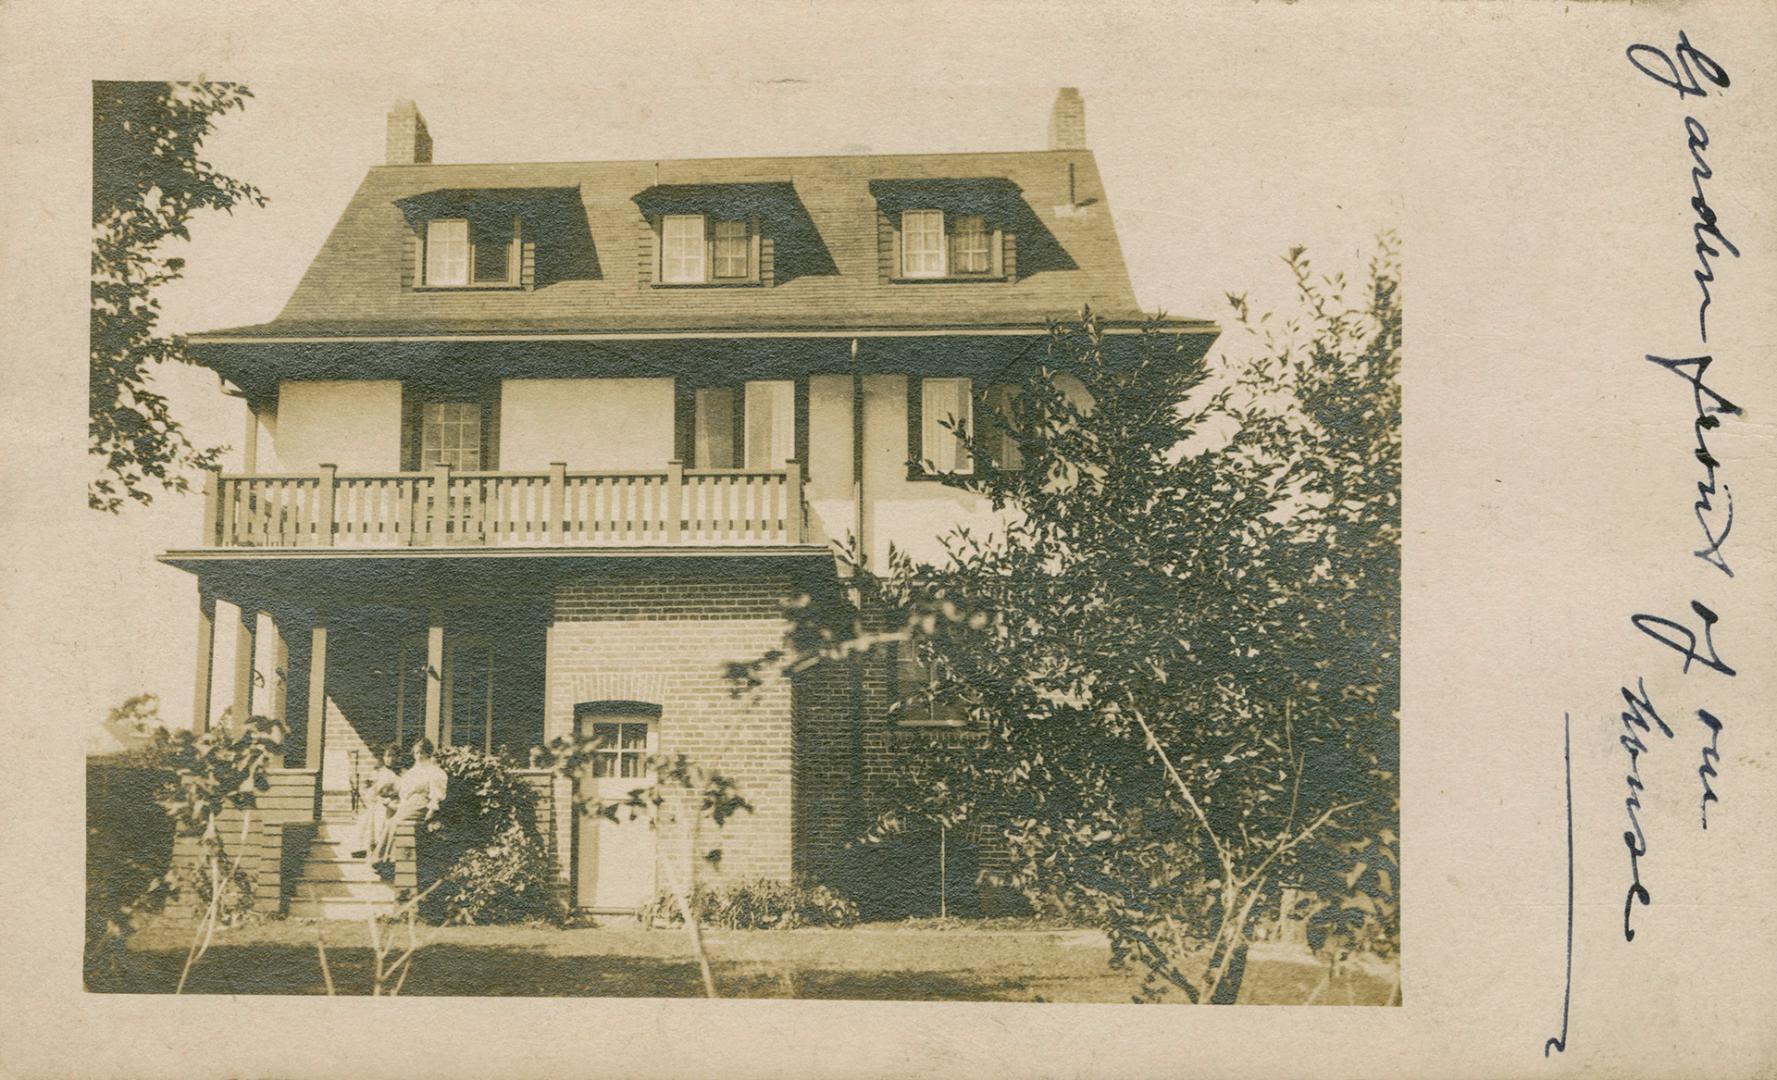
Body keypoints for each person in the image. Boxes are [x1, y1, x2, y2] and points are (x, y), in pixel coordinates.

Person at [372, 738, 448, 878]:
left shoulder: (434, 772)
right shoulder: (413, 771)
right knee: (391, 822)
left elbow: (436, 794)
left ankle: (388, 860)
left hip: (422, 804)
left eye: (422, 753)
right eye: (416, 753)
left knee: (396, 822)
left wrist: (431, 810)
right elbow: (404, 792)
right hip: (409, 804)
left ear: (428, 754)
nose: (418, 756)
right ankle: (385, 859)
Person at [348, 742, 402, 861]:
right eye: (388, 756)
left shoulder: (402, 773)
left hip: (396, 803)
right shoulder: (378, 772)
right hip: (381, 803)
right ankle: (371, 846)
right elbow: (369, 791)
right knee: (377, 813)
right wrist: (380, 798)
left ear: (399, 757)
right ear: (383, 757)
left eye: (393, 756)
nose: (390, 759)